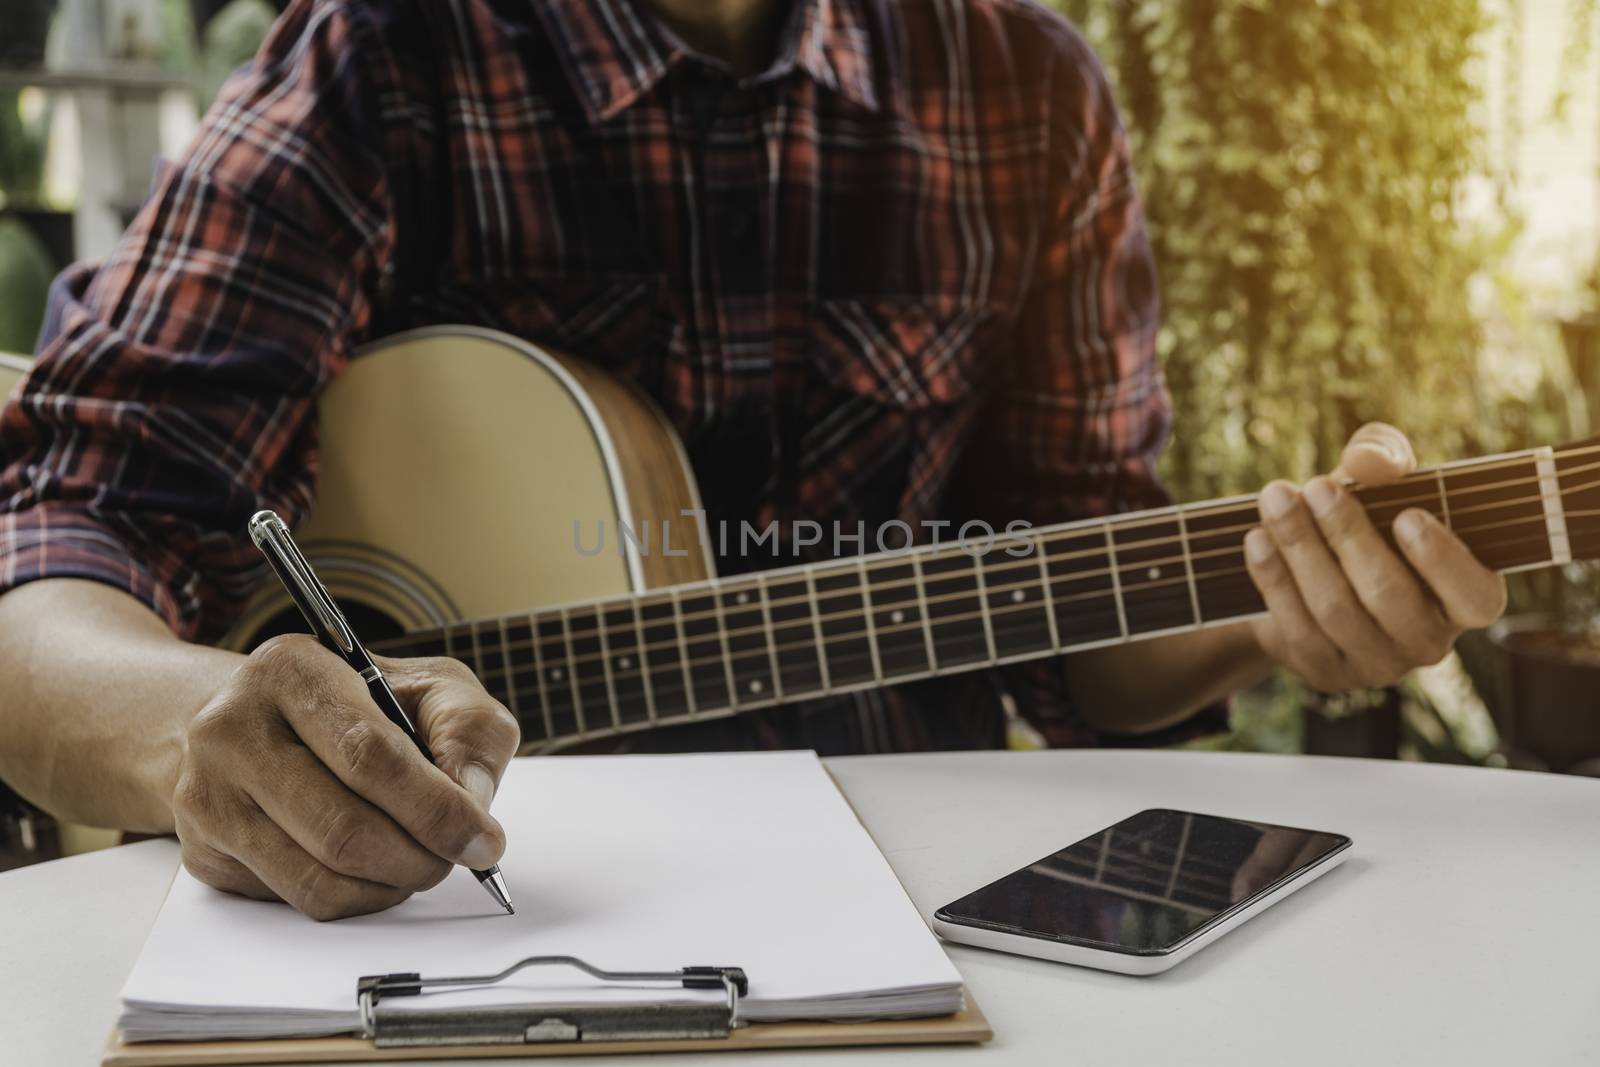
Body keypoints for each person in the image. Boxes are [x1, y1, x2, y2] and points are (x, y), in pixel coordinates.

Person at [0, 0, 1505, 920]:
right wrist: (213, 730)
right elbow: (60, 551)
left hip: (936, 917)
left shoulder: (1027, 92)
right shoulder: (380, 59)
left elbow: (1083, 644)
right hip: (462, 929)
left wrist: (1272, 605)